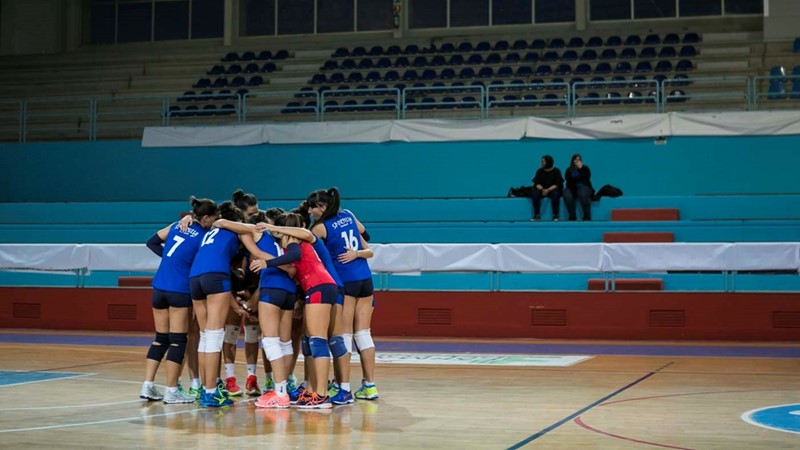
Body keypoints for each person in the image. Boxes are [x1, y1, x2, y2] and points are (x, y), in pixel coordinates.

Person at [140, 197, 218, 404]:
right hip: (179, 289)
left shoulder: (177, 225)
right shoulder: (204, 236)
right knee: (178, 340)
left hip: (159, 287)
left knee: (160, 338)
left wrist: (169, 258)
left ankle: (147, 385)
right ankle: (172, 390)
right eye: (214, 218)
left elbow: (151, 242)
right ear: (206, 218)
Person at [307, 187, 378, 402]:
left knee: (343, 335)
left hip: (345, 280)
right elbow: (366, 238)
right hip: (365, 278)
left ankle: (342, 386)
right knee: (363, 333)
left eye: (312, 207)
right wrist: (356, 253)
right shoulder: (348, 214)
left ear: (322, 207)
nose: (310, 212)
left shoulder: (320, 228)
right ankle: (369, 385)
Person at [530, 155, 563, 221]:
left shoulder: (556, 171)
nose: (542, 163)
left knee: (555, 194)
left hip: (552, 189)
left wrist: (548, 190)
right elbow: (536, 183)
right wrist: (542, 189)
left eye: (543, 161)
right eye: (541, 161)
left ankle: (555, 215)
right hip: (542, 189)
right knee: (535, 194)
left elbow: (557, 184)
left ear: (548, 162)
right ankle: (537, 215)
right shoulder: (539, 171)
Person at [563, 153, 594, 221]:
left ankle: (586, 215)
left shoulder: (585, 168)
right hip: (571, 188)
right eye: (576, 159)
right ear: (572, 161)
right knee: (566, 193)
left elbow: (586, 177)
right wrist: (579, 178)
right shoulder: (569, 170)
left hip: (584, 187)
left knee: (582, 193)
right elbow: (569, 180)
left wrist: (580, 169)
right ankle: (572, 215)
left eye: (579, 159)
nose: (577, 161)